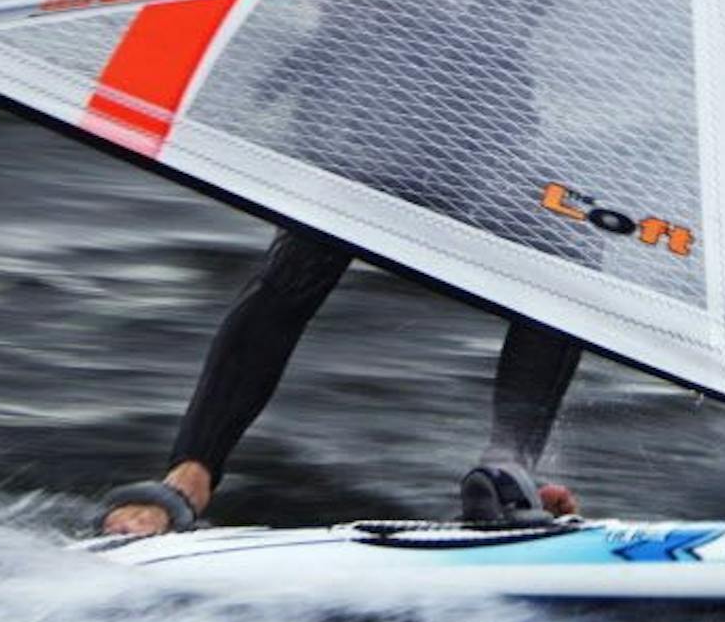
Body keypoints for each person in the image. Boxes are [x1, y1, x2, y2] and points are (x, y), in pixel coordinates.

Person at [96, 228, 582, 536]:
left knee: (567, 243)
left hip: (489, 124)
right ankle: (189, 481)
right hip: (357, 115)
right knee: (304, 250)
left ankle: (506, 476)